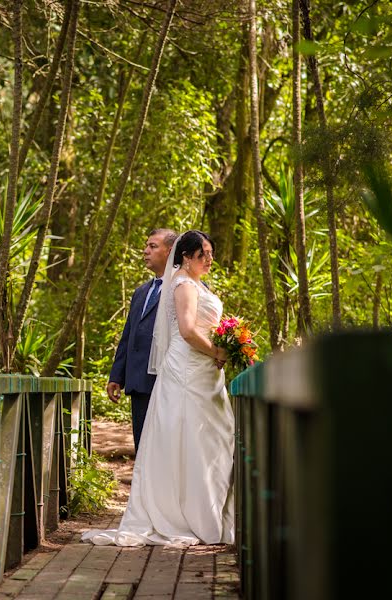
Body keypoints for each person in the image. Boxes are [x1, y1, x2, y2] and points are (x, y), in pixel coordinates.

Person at [84, 230, 235, 546]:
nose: (209, 259)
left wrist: (230, 342)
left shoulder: (190, 284)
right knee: (181, 439)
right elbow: (185, 331)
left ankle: (200, 509)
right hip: (184, 369)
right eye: (203, 253)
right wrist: (219, 351)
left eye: (210, 253)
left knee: (202, 439)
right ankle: (182, 513)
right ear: (185, 256)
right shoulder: (179, 285)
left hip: (200, 372)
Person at [107, 228, 177, 452]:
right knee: (143, 447)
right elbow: (129, 335)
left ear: (169, 252)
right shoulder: (140, 292)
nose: (145, 251)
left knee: (166, 448)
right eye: (146, 246)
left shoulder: (185, 288)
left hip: (169, 382)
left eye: (152, 246)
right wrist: (116, 375)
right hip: (138, 383)